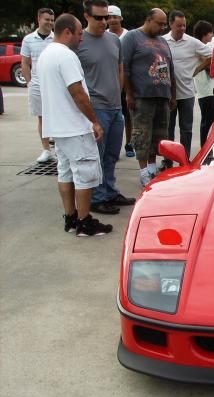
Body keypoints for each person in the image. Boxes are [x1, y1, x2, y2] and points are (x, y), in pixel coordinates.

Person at [39, 13, 112, 237]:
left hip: (57, 127)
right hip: (74, 127)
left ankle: (70, 217)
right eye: (79, 33)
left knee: (65, 173)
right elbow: (78, 93)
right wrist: (94, 121)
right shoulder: (66, 56)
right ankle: (84, 221)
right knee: (85, 174)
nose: (82, 38)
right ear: (67, 32)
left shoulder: (45, 54)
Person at [76, 0, 135, 215]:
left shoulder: (114, 40)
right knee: (97, 156)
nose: (105, 21)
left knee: (111, 155)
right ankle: (98, 198)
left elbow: (120, 69)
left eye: (107, 16)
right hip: (96, 108)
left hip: (115, 107)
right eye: (99, 17)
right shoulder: (79, 41)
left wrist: (117, 94)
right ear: (86, 16)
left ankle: (110, 192)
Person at [122, 8, 176, 186]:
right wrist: (129, 93)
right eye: (159, 24)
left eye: (164, 24)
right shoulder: (132, 37)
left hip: (162, 95)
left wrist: (172, 95)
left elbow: (169, 68)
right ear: (148, 20)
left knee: (158, 135)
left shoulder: (162, 41)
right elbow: (125, 68)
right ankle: (144, 171)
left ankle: (153, 169)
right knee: (142, 134)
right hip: (142, 96)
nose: (162, 28)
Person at [163, 10, 211, 166]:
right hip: (168, 94)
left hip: (187, 93)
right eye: (179, 25)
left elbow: (212, 55)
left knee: (186, 130)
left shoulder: (192, 42)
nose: (182, 28)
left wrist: (197, 69)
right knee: (168, 130)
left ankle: (184, 162)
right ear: (170, 24)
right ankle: (168, 161)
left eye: (184, 25)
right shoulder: (162, 41)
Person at [21, 7, 55, 163]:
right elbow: (25, 63)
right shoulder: (28, 39)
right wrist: (29, 83)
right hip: (36, 84)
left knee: (57, 115)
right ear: (39, 19)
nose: (50, 22)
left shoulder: (56, 38)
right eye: (47, 19)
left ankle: (60, 150)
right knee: (42, 118)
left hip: (54, 84)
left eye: (52, 20)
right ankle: (46, 150)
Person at [107, 4, 135, 159]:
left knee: (128, 116)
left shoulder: (129, 36)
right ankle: (112, 148)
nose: (112, 20)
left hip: (126, 82)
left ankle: (129, 143)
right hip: (108, 83)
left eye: (115, 17)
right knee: (110, 116)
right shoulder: (102, 35)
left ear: (121, 18)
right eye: (109, 17)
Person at [192, 20, 214, 148]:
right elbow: (210, 63)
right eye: (210, 32)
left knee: (208, 120)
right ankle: (205, 147)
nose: (212, 35)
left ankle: (206, 147)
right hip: (205, 90)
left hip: (207, 89)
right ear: (204, 34)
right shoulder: (200, 48)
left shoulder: (201, 47)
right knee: (207, 121)